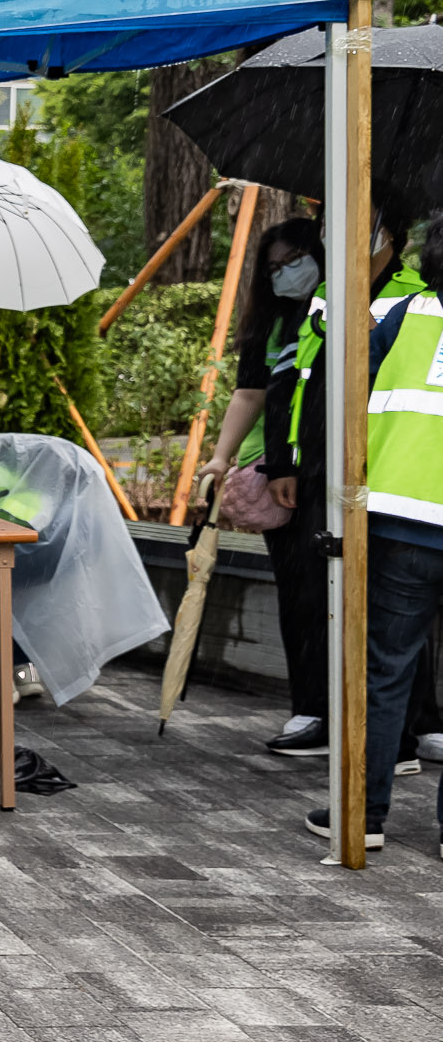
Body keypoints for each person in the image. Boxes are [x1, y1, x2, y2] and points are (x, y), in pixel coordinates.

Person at [268, 204, 430, 769]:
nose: (331, 233)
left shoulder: (415, 295)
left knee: (385, 612)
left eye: (347, 219)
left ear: (385, 228)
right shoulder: (331, 290)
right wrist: (282, 461)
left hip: (381, 475)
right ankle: (328, 716)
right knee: (322, 593)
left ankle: (399, 739)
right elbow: (298, 377)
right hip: (319, 467)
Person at [308, 214, 443, 853]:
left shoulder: (412, 313)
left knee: (385, 671)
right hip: (407, 522)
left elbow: (349, 376)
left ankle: (363, 814)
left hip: (404, 525)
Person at [198, 218, 327, 756]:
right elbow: (249, 394)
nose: (284, 274)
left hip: (338, 474)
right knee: (301, 594)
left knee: (358, 598)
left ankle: (412, 723)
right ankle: (311, 708)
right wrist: (220, 458)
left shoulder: (348, 309)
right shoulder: (273, 326)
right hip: (281, 478)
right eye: (274, 268)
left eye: (294, 260)